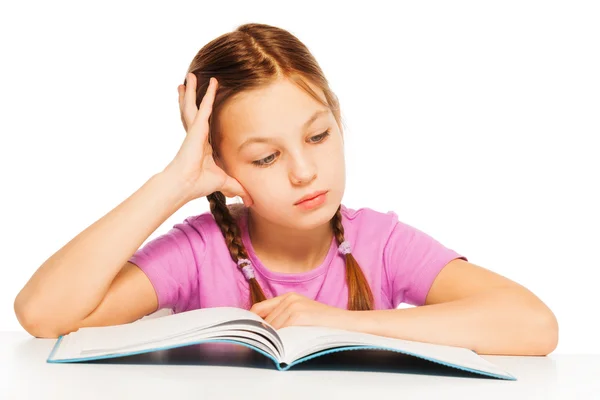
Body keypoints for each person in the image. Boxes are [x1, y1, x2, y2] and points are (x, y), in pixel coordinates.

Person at [13, 23, 558, 356]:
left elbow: (533, 326)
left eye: (318, 135)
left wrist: (337, 323)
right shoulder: (200, 251)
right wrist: (173, 183)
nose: (304, 171)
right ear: (221, 162)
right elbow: (44, 315)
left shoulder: (382, 242)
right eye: (266, 157)